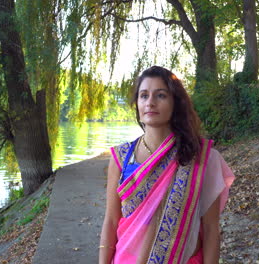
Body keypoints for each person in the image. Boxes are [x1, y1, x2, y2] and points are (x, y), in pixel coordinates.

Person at [98, 66, 235, 264]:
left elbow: (211, 229)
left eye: (160, 95)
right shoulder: (121, 157)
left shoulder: (201, 158)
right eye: (144, 96)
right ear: (137, 103)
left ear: (175, 103)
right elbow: (111, 221)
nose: (150, 103)